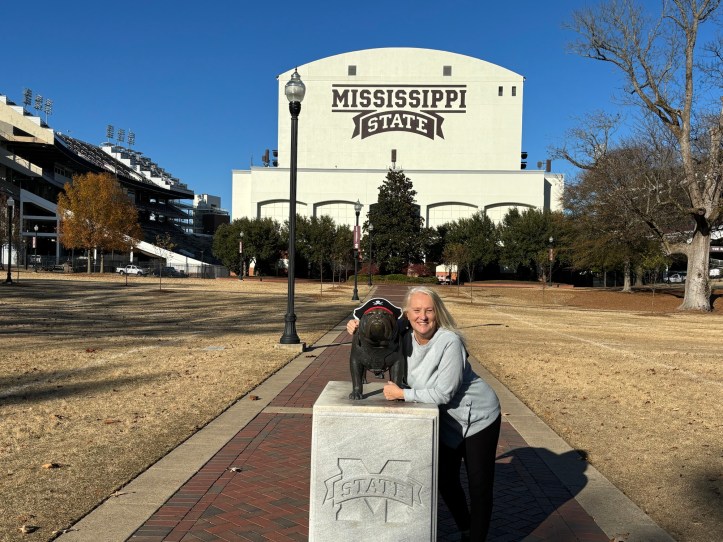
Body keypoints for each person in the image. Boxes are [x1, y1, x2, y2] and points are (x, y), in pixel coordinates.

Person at [347, 286, 501, 541]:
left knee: (479, 484)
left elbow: (444, 393)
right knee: (445, 479)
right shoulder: (403, 334)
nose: (423, 316)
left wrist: (402, 394)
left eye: (429, 310)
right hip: (445, 419)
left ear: (438, 313)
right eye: (416, 310)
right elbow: (376, 330)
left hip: (477, 416)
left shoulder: (450, 342)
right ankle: (466, 528)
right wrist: (355, 326)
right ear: (406, 315)